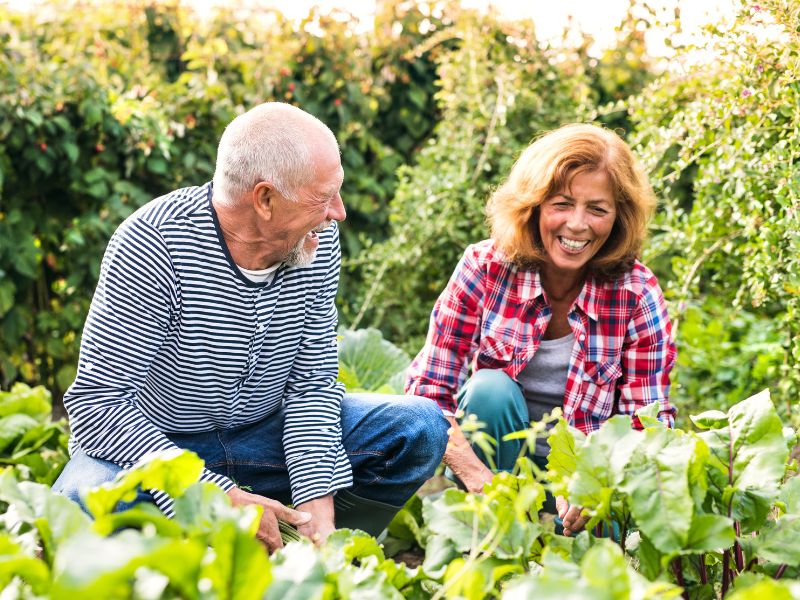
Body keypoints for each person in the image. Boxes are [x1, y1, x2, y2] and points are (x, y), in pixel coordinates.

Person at [53, 102, 449, 551]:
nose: (338, 212)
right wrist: (216, 494)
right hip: (163, 448)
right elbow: (98, 405)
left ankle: (299, 546)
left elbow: (312, 387)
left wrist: (319, 518)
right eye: (324, 197)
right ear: (264, 199)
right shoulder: (155, 243)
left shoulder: (313, 239)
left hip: (265, 441)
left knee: (419, 429)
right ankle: (210, 538)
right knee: (80, 504)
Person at [406, 123, 676, 536]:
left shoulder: (636, 294)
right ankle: (489, 538)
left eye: (598, 209)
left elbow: (647, 423)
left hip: (585, 480)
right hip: (495, 470)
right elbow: (427, 393)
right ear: (533, 204)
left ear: (619, 217)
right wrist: (479, 479)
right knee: (490, 390)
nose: (578, 225)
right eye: (562, 203)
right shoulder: (485, 268)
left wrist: (593, 482)